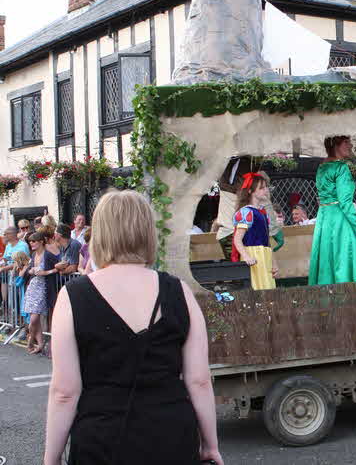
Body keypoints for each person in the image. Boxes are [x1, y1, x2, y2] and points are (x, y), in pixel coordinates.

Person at [43, 190, 223, 465]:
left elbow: (64, 392)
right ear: (147, 232)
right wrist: (210, 445)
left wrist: (51, 458)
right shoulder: (179, 292)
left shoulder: (73, 297)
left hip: (101, 441)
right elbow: (198, 380)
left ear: (101, 234)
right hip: (171, 438)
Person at [308, 136, 356, 285]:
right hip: (340, 220)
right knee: (347, 259)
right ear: (335, 145)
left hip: (324, 220)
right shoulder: (340, 167)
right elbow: (345, 203)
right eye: (346, 142)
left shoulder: (322, 167)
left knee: (328, 261)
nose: (350, 145)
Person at [232, 173, 279, 290]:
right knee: (257, 290)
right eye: (261, 188)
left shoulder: (263, 212)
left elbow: (267, 240)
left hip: (265, 256)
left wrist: (274, 262)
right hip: (254, 256)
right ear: (250, 191)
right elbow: (237, 239)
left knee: (269, 290)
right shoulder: (247, 212)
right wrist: (246, 256)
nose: (266, 190)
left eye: (266, 187)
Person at [21, 230, 58, 354]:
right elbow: (29, 270)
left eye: (33, 241)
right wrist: (30, 271)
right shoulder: (33, 255)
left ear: (41, 241)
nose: (31, 243)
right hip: (32, 288)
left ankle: (31, 341)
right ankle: (40, 344)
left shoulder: (48, 255)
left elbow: (59, 267)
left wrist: (46, 272)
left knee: (34, 319)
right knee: (33, 319)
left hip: (43, 288)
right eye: (30, 241)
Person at [1, 226, 30, 306]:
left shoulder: (22, 246)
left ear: (12, 234)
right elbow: (5, 259)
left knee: (20, 297)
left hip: (21, 275)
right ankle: (8, 307)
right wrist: (2, 262)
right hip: (11, 276)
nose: (4, 236)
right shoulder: (8, 246)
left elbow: (20, 262)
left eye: (6, 234)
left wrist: (3, 268)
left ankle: (21, 315)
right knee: (13, 297)